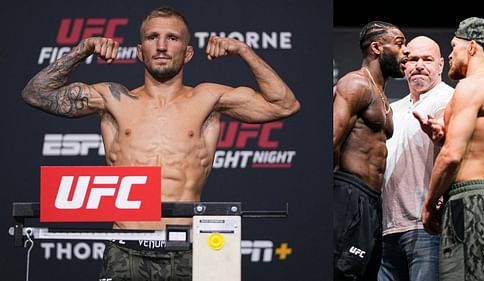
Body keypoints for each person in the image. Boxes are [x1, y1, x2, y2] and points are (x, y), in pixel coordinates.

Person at [21, 6, 300, 281]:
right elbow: (36, 93)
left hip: (188, 249)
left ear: (188, 52)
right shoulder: (112, 99)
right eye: (152, 37)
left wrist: (243, 51)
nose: (162, 46)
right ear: (140, 51)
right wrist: (83, 49)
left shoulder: (209, 99)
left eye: (173, 38)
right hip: (126, 249)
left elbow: (284, 105)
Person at [420, 17, 484, 281]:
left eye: (454, 46)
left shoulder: (470, 86)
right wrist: (445, 133)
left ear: (473, 47)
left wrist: (430, 206)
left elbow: (452, 156)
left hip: (469, 202)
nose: (451, 54)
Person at [333, 21, 409, 280]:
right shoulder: (355, 84)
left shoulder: (382, 95)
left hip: (372, 200)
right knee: (342, 270)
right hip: (349, 193)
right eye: (399, 44)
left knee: (365, 274)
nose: (406, 52)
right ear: (377, 47)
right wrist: (338, 198)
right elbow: (330, 140)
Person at [378, 36, 454, 281]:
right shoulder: (393, 109)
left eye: (427, 59)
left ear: (441, 65)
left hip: (427, 228)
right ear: (404, 65)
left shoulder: (450, 99)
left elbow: (444, 124)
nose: (419, 64)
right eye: (412, 59)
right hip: (387, 228)